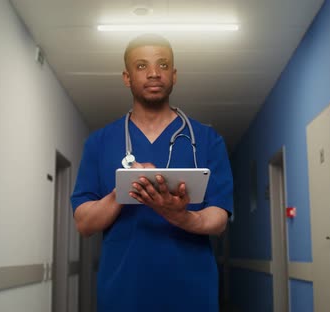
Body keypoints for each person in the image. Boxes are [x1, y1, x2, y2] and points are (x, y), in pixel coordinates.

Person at [70, 33, 233, 312]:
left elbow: (218, 219)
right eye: (142, 66)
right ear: (127, 77)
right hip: (123, 295)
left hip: (192, 294)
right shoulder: (99, 142)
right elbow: (84, 224)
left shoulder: (206, 140)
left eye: (163, 65)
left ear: (175, 75)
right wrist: (125, 189)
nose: (155, 73)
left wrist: (181, 216)